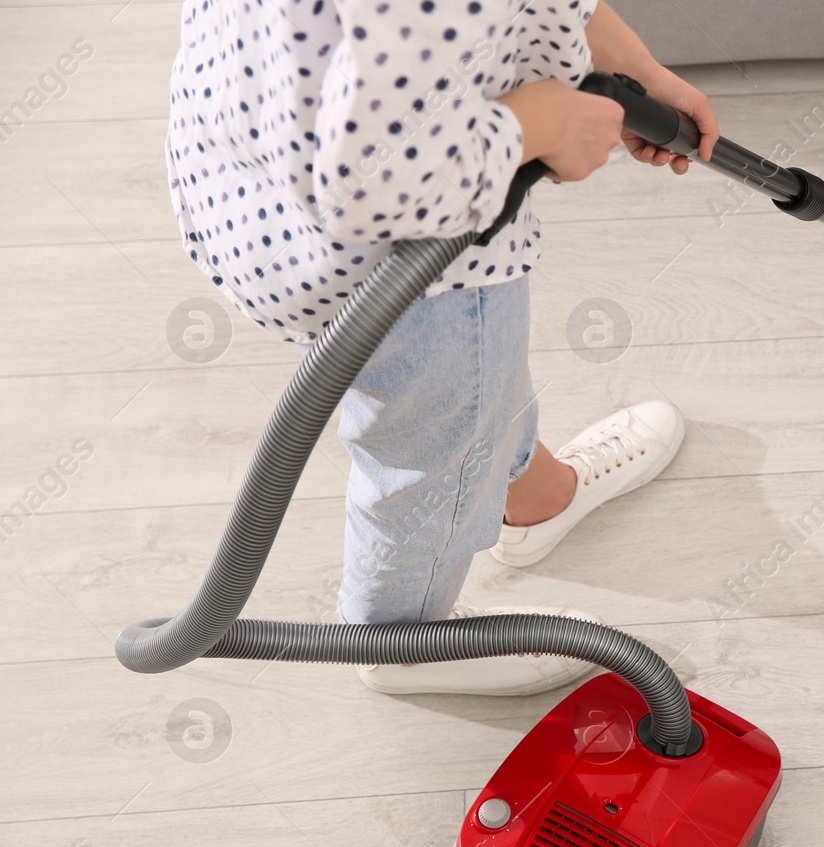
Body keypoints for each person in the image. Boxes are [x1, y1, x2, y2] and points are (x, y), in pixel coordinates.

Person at [165, 0, 718, 696]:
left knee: (476, 391)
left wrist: (636, 67)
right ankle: (402, 639)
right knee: (438, 448)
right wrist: (540, 125)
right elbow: (373, 175)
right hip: (407, 265)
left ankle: (535, 496)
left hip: (252, 173)